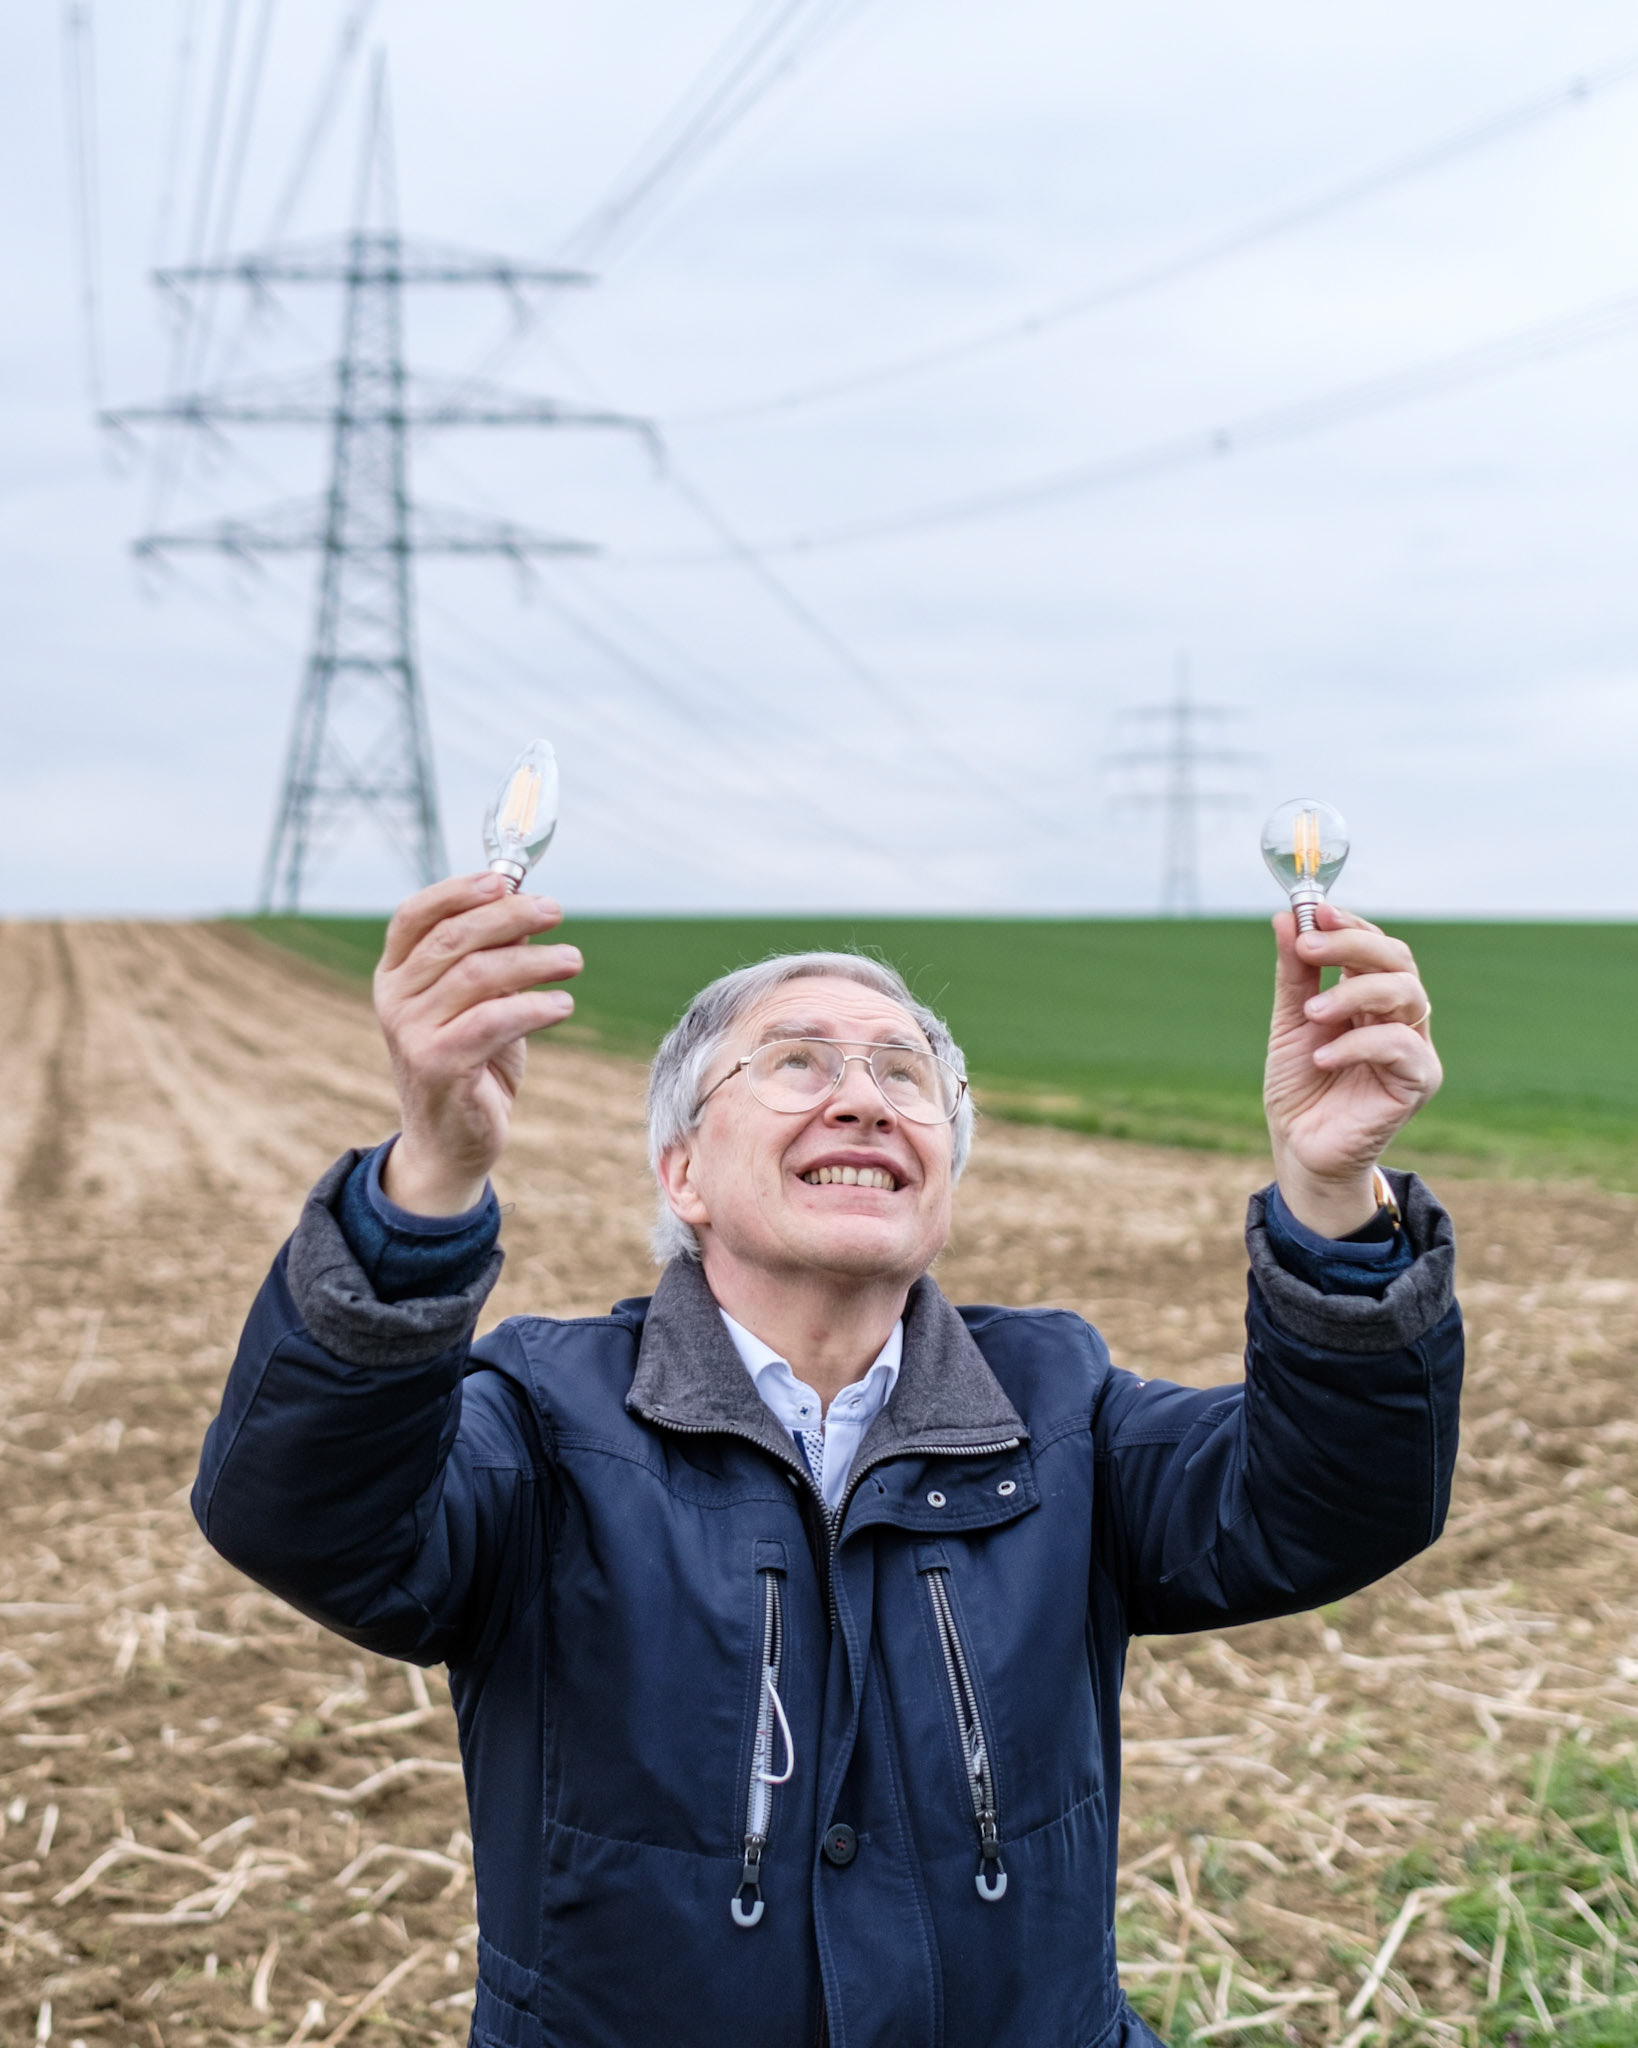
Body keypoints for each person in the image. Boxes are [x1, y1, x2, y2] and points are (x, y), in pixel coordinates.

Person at [195, 871, 1460, 2048]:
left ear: (943, 1172)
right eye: (796, 1062)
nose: (862, 1097)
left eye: (906, 1075)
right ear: (682, 1168)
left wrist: (1332, 1190)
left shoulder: (1059, 1410)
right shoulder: (543, 1419)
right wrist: (431, 1176)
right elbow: (312, 1519)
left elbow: (1328, 1506)